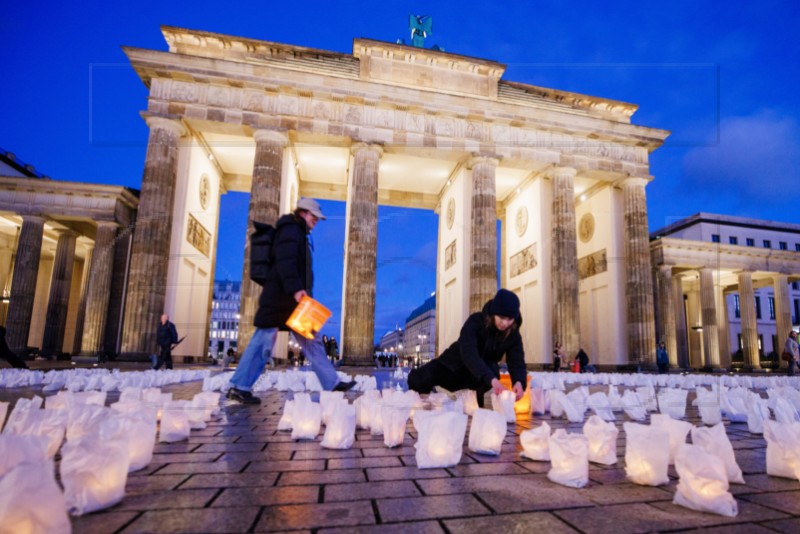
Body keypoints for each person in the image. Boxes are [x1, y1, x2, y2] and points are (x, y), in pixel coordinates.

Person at [227, 198, 355, 404]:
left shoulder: (298, 232)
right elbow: (285, 261)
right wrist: (296, 289)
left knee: (313, 340)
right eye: (314, 216)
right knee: (263, 343)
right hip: (280, 300)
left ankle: (332, 382)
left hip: (294, 302)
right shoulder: (290, 230)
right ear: (303, 213)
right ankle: (239, 387)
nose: (316, 221)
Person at [407, 289, 527, 408]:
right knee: (419, 379)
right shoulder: (475, 321)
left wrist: (519, 382)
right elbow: (469, 353)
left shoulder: (513, 334)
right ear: (494, 313)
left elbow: (517, 361)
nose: (505, 323)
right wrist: (492, 379)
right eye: (501, 317)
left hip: (478, 376)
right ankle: (437, 393)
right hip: (453, 366)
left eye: (509, 319)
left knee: (491, 370)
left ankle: (470, 399)